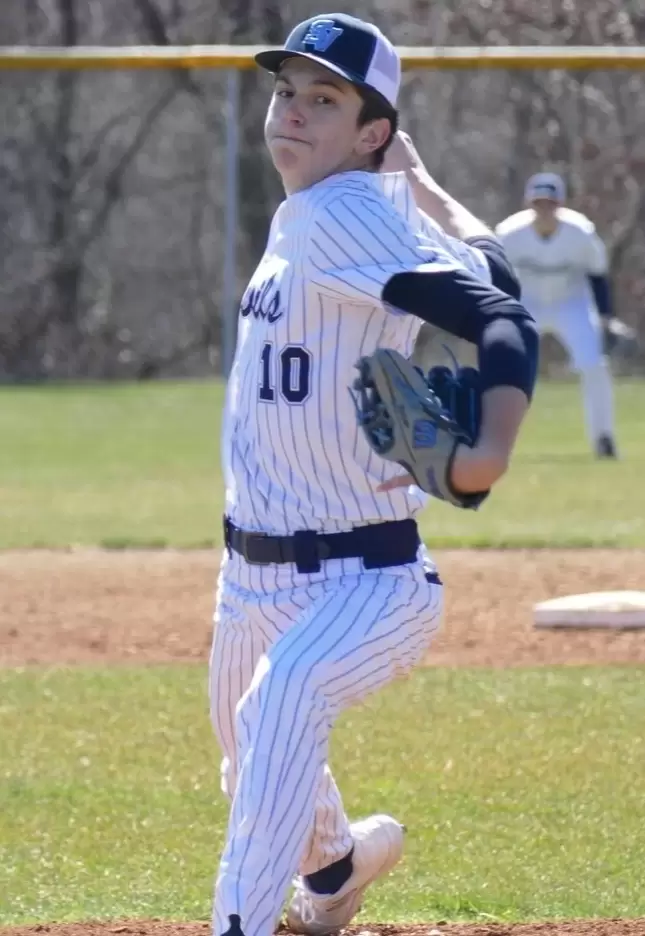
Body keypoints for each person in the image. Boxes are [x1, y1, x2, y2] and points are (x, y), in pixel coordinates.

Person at [208, 14, 539, 936]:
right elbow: (498, 278)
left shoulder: (338, 214)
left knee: (281, 704)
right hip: (251, 579)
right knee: (250, 756)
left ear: (370, 134)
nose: (293, 111)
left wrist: (489, 449)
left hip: (364, 574)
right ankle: (337, 870)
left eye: (325, 100)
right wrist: (421, 182)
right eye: (286, 92)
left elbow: (503, 324)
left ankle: (237, 924)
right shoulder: (329, 213)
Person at [495, 172, 619, 458]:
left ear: (560, 204)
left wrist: (605, 316)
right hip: (527, 303)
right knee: (504, 365)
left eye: (550, 203)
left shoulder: (580, 231)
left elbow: (597, 273)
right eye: (538, 203)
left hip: (571, 303)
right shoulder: (509, 233)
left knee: (594, 365)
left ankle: (603, 438)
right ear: (528, 204)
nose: (544, 210)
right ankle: (493, 439)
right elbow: (495, 275)